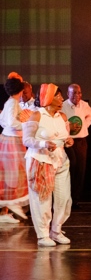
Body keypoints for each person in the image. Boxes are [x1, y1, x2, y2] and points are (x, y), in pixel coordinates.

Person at [22, 83, 74, 247]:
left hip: (60, 161)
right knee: (42, 200)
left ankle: (56, 231)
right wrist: (44, 143)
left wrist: (68, 140)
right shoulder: (37, 116)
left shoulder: (62, 117)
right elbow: (27, 140)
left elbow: (64, 136)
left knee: (64, 199)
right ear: (49, 98)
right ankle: (43, 235)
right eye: (59, 96)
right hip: (41, 161)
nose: (62, 99)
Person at [0, 72, 29, 223]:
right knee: (13, 174)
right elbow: (10, 123)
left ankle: (9, 207)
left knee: (13, 175)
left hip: (12, 139)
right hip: (11, 141)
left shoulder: (12, 102)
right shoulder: (12, 103)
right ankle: (10, 206)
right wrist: (26, 124)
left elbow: (3, 121)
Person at [62, 84, 91, 209]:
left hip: (81, 141)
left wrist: (85, 125)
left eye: (79, 93)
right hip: (68, 141)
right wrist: (67, 126)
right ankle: (66, 198)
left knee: (80, 170)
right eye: (74, 93)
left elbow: (89, 115)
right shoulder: (63, 106)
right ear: (68, 94)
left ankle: (75, 199)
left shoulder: (84, 105)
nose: (77, 95)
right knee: (71, 167)